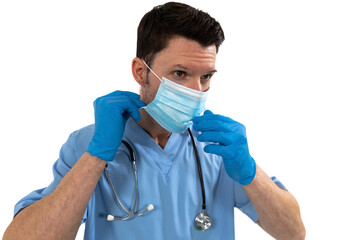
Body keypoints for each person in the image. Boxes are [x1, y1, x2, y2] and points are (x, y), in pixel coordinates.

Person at [3, 2, 305, 240]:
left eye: (206, 77)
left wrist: (249, 171)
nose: (196, 92)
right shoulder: (87, 144)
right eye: (180, 74)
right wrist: (96, 157)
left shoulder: (218, 147)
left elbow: (293, 233)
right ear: (140, 72)